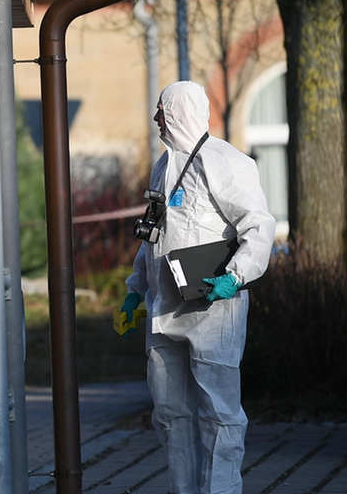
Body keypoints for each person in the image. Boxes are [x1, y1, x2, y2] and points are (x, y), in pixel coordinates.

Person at [118, 81, 275, 494]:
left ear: (178, 113)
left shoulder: (224, 162)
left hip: (212, 307)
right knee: (170, 413)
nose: (156, 119)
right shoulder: (163, 166)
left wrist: (236, 275)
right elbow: (153, 234)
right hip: (164, 307)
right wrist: (136, 289)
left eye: (162, 110)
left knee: (219, 413)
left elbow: (259, 227)